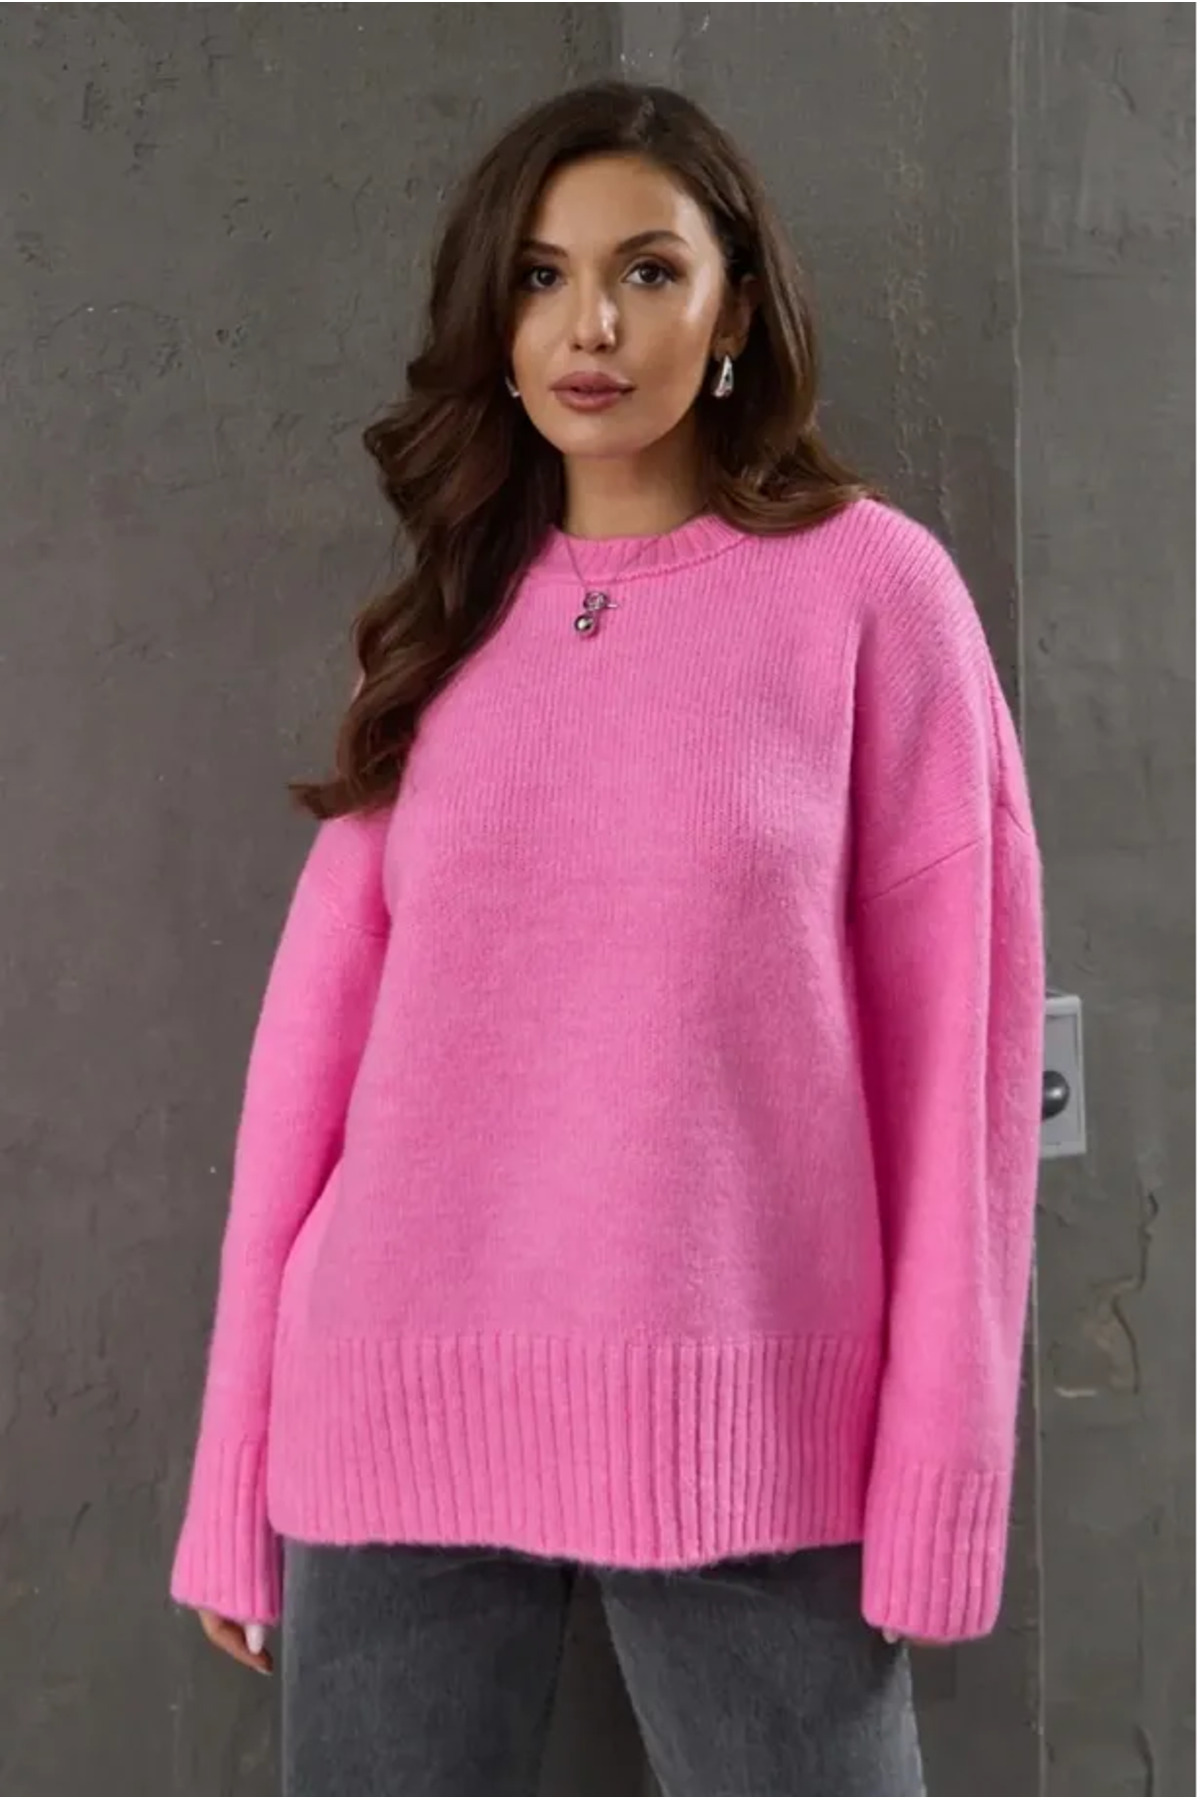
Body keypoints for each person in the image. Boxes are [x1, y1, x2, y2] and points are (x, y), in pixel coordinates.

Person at [169, 78, 1046, 1797]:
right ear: (493, 322)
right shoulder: (440, 628)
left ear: (736, 311)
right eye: (542, 276)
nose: (592, 326)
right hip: (391, 1409)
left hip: (751, 1432)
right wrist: (234, 1475)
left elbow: (965, 1078)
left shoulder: (873, 599)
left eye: (649, 270)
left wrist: (942, 1485)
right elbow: (306, 1079)